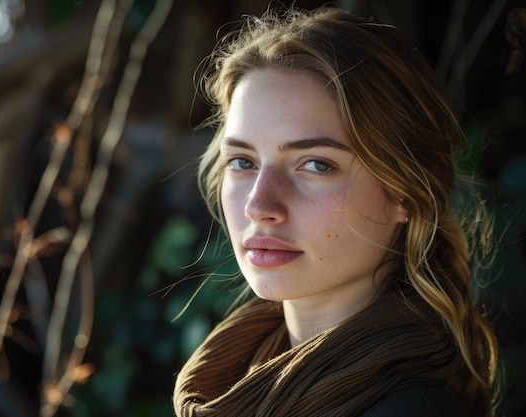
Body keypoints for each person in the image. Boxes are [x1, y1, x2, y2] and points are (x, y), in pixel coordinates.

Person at [173, 6, 498, 417]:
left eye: (316, 165)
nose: (259, 206)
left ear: (404, 192)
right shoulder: (234, 380)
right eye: (243, 161)